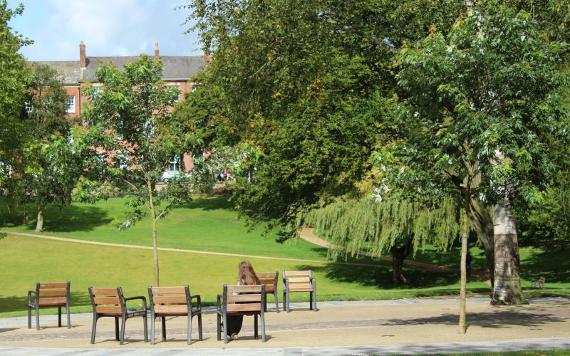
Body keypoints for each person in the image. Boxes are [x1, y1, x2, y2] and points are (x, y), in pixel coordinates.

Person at [225, 261, 260, 339]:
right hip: (255, 308)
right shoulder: (257, 281)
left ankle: (229, 332)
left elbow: (235, 294)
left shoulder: (241, 281)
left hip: (242, 308)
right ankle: (233, 332)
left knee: (229, 309)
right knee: (237, 306)